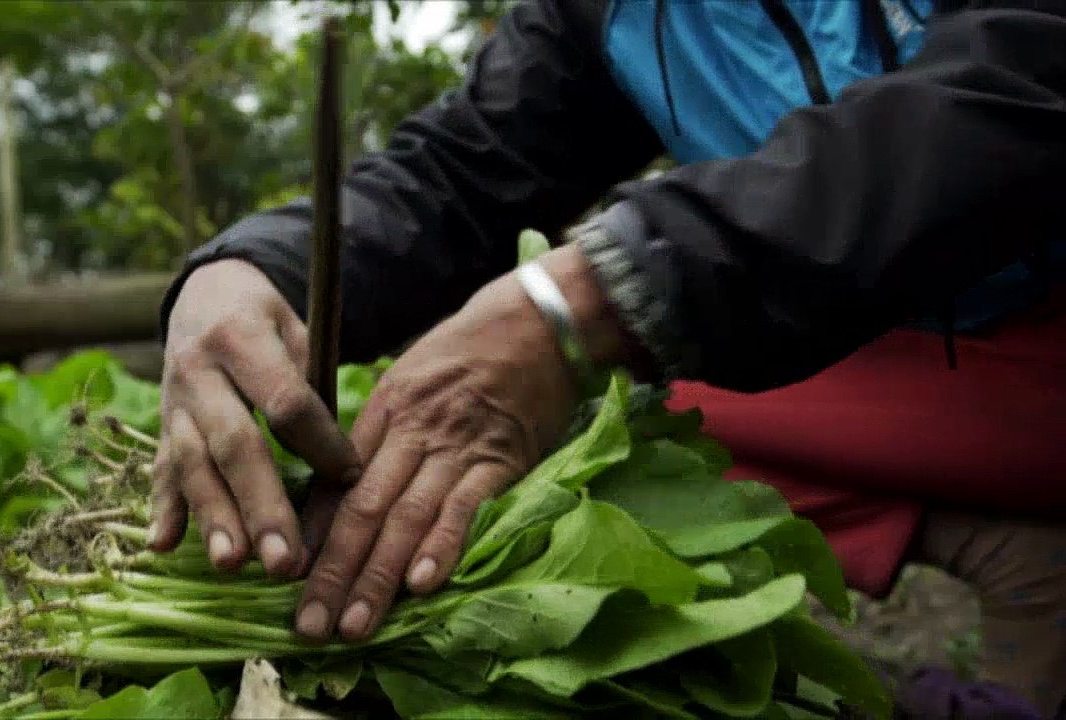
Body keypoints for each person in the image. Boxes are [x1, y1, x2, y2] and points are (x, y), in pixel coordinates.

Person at [152, 0, 1066, 716]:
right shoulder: (604, 10)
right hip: (912, 365)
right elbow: (460, 174)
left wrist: (584, 298)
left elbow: (1021, 79)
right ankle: (1021, 543)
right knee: (591, 438)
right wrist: (247, 264)